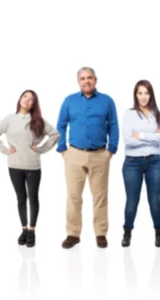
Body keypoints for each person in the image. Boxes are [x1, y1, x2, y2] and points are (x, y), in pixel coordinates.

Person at [56, 66, 119, 249]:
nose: (86, 81)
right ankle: (73, 234)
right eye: (83, 78)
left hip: (100, 155)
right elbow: (61, 125)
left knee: (100, 196)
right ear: (78, 81)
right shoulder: (69, 101)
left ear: (96, 80)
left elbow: (113, 126)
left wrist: (111, 150)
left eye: (89, 78)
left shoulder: (107, 101)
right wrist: (63, 149)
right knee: (74, 196)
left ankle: (100, 233)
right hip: (74, 155)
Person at [0, 90, 59, 247]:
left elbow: (55, 135)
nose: (27, 100)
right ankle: (24, 229)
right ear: (20, 99)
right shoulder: (10, 119)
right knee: (21, 198)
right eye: (25, 97)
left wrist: (40, 149)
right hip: (14, 165)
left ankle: (32, 230)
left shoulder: (37, 120)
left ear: (34, 104)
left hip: (33, 165)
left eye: (31, 99)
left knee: (33, 198)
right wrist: (5, 150)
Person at [120, 80, 160, 248]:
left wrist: (139, 135)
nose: (143, 97)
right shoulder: (129, 114)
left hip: (155, 162)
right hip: (133, 162)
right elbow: (127, 140)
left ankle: (159, 232)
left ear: (151, 95)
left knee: (154, 200)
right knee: (132, 201)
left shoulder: (158, 114)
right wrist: (152, 136)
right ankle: (127, 232)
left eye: (146, 93)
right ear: (135, 95)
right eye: (140, 93)